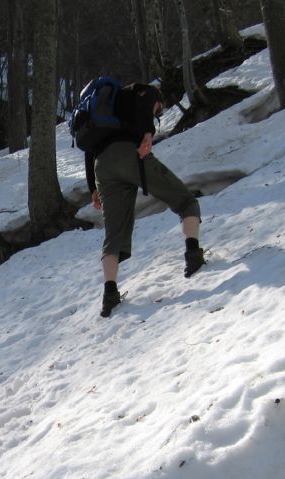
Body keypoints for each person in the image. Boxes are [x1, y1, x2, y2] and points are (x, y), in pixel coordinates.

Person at [84, 82, 205, 317]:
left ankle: (110, 295)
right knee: (186, 201)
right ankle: (193, 256)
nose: (157, 112)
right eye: (158, 110)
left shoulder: (103, 111)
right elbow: (147, 103)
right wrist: (148, 132)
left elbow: (90, 149)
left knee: (114, 234)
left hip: (103, 167)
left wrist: (93, 188)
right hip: (131, 153)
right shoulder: (145, 91)